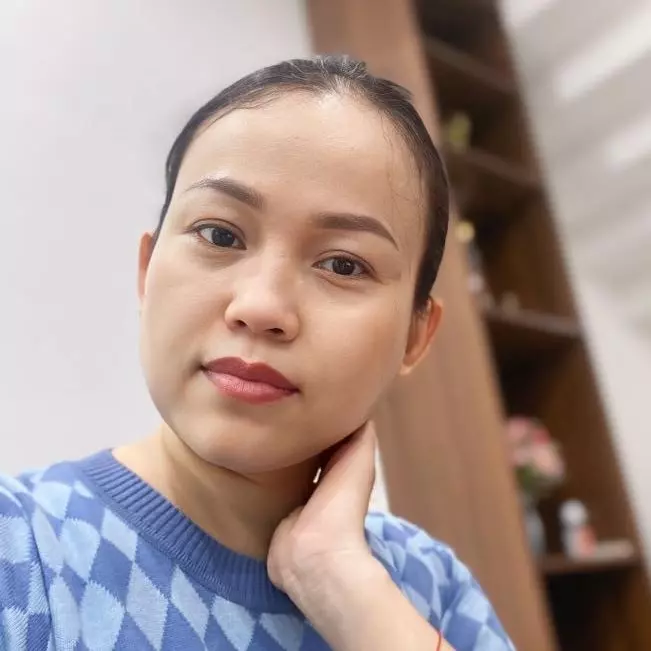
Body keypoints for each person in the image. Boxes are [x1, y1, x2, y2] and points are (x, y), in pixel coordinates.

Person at [0, 56, 514, 651]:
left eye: (344, 264)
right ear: (146, 270)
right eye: (219, 234)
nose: (262, 306)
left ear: (415, 337)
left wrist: (347, 591)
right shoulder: (21, 550)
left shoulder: (432, 586)